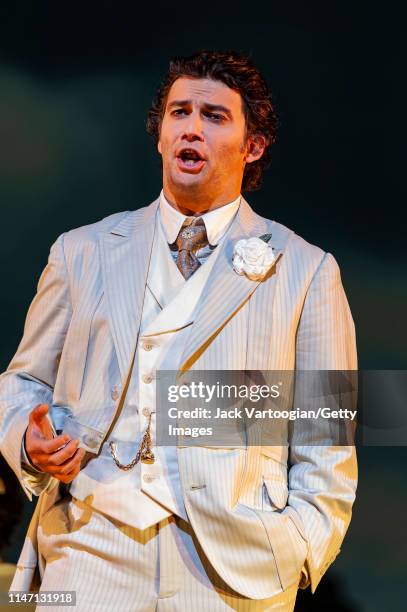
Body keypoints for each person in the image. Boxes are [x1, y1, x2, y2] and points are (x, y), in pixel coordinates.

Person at [0, 50, 357, 611]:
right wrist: (27, 438)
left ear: (253, 146)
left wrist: (301, 545)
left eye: (215, 116)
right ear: (162, 135)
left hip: (232, 570)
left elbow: (328, 431)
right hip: (91, 548)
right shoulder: (82, 251)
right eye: (179, 112)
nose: (192, 126)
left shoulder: (306, 270)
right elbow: (22, 382)